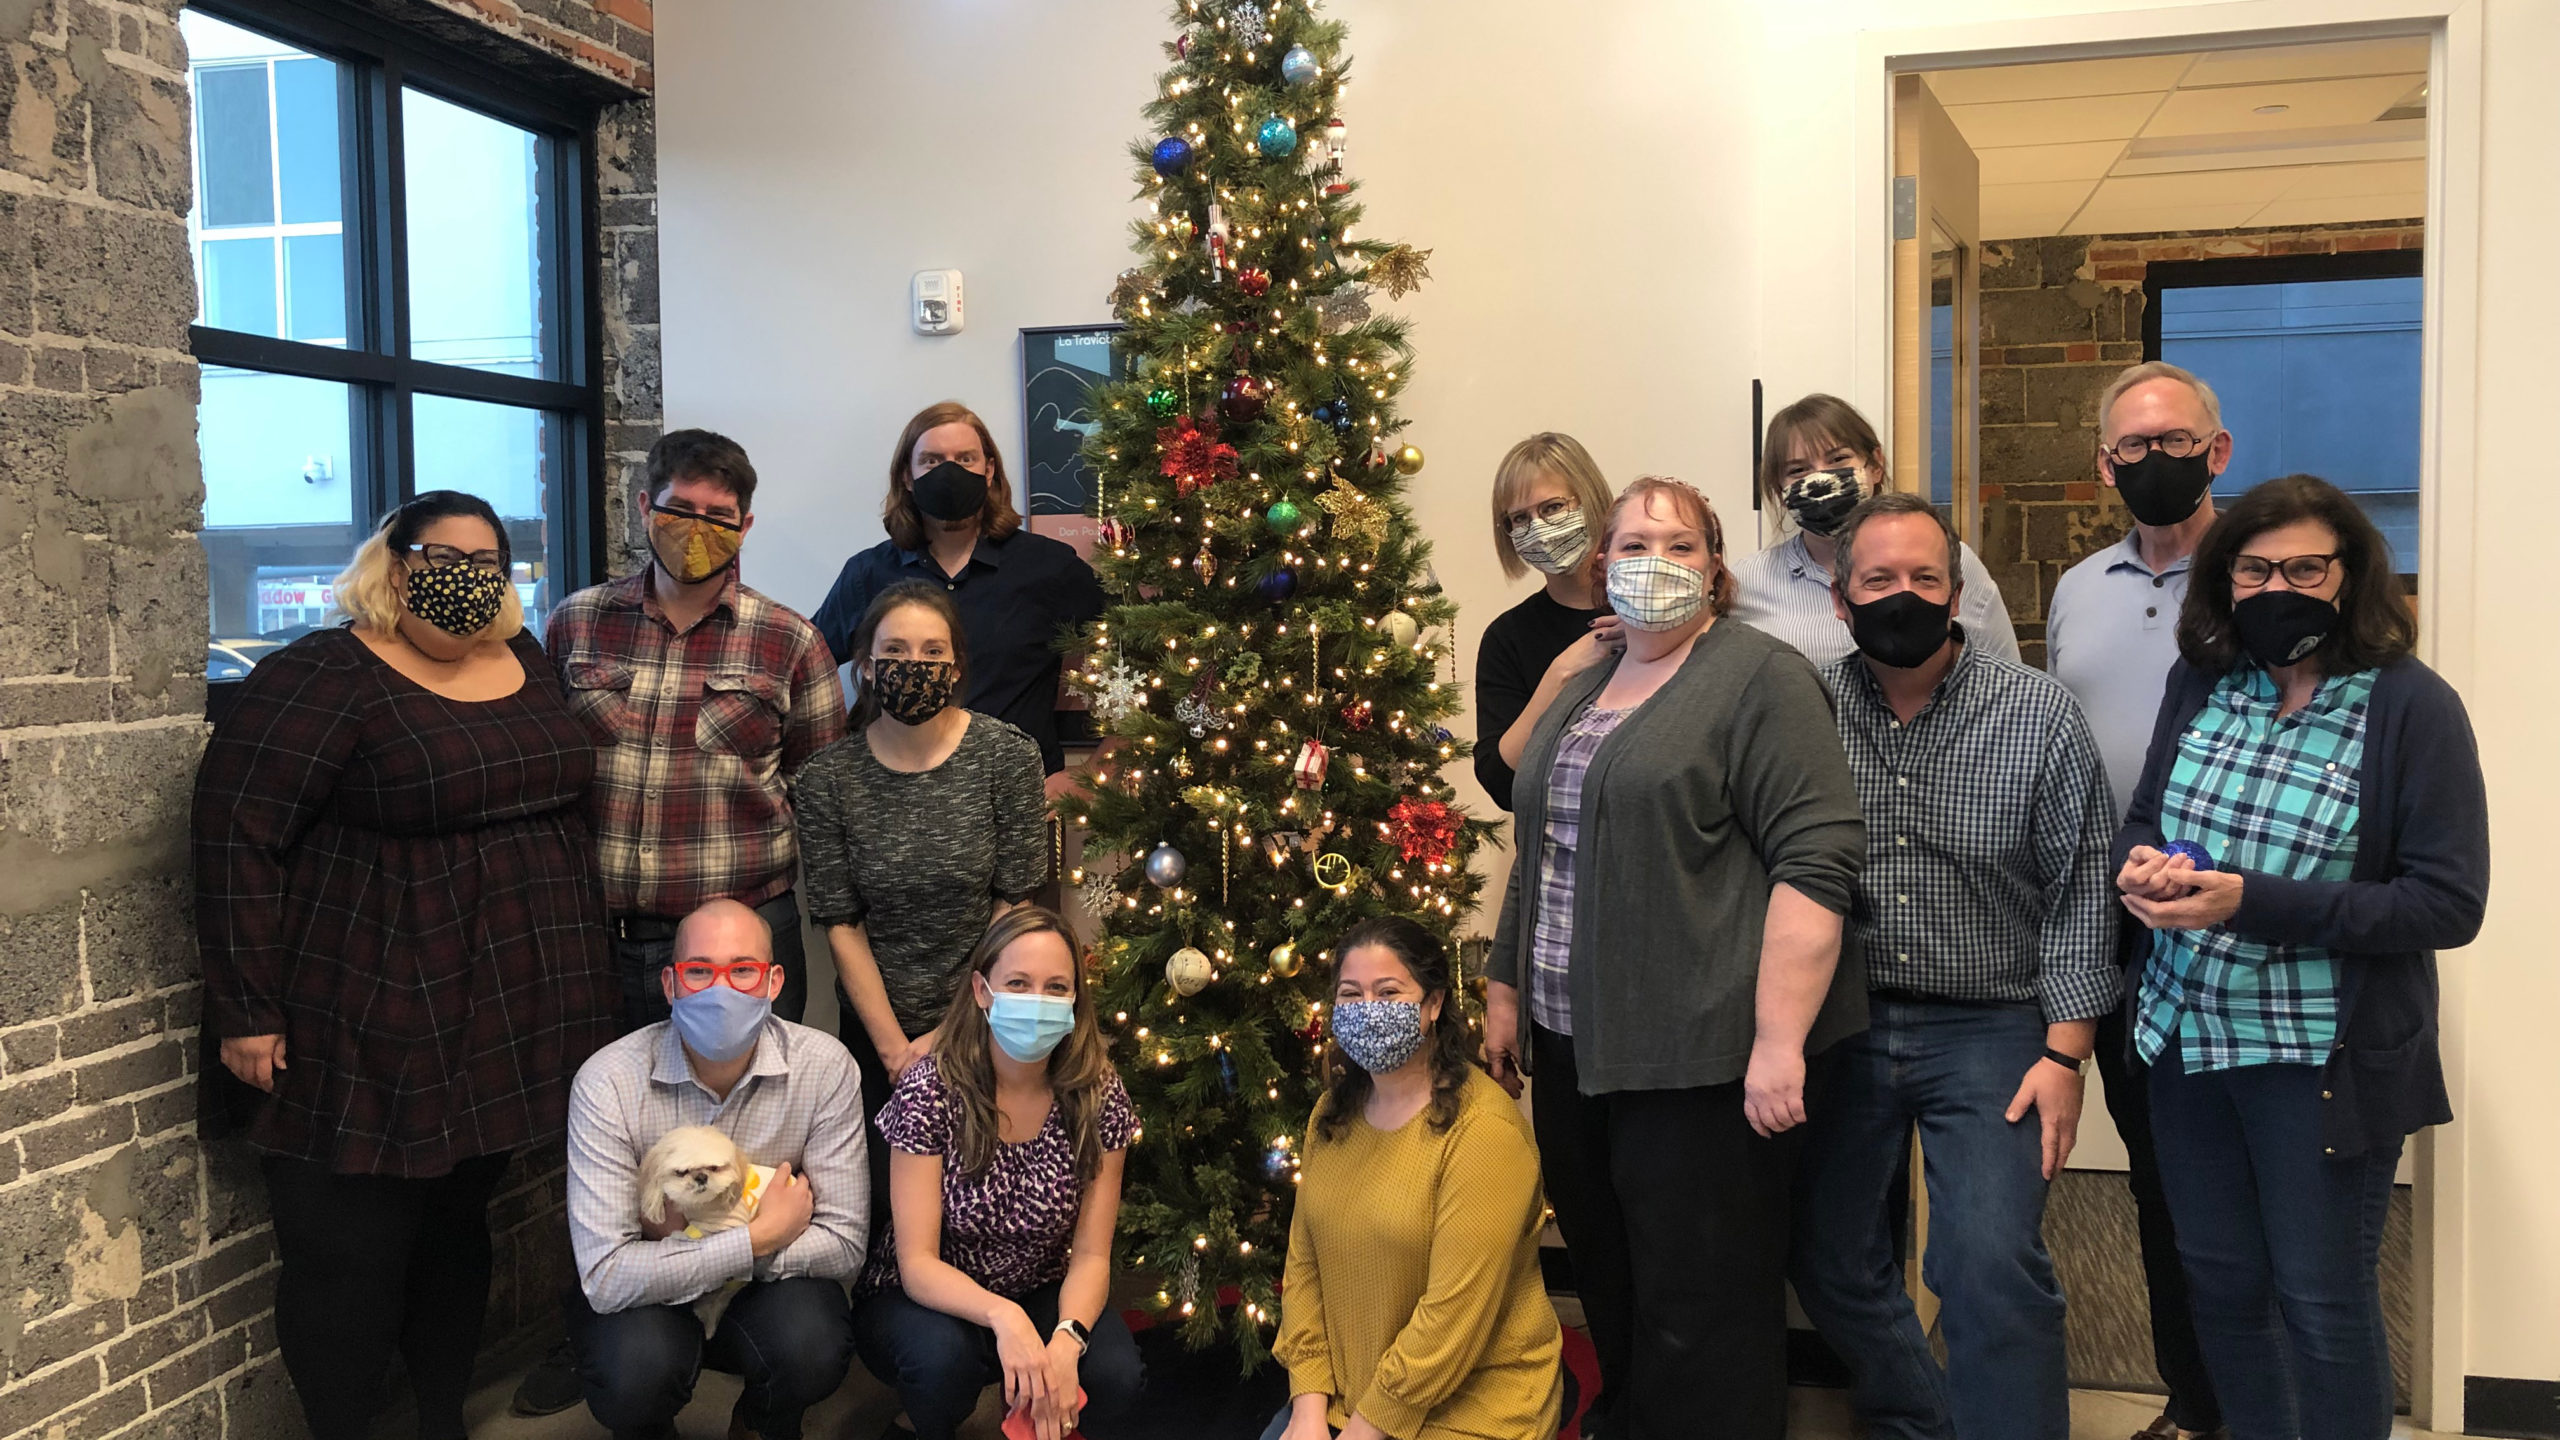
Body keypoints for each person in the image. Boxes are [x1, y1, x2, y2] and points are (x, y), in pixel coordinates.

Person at [192, 491, 618, 1440]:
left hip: (507, 1010)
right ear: (391, 563)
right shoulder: (324, 674)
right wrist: (246, 1008)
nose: (466, 574)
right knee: (351, 1252)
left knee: (453, 1232)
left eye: (487, 559)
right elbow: (235, 839)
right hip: (372, 1010)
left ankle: (439, 1419)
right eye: (442, 554)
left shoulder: (528, 662)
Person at [1483, 476, 1868, 1440]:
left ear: (1716, 568)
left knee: (1703, 1313)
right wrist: (1502, 983)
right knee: (1609, 1284)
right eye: (1631, 544)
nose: (1652, 562)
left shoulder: (1760, 679)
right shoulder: (1584, 683)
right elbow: (1543, 844)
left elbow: (1815, 866)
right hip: (1574, 1047)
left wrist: (1779, 1041)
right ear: (1601, 563)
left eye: (1678, 545)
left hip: (1700, 1057)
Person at [2115, 475, 2488, 1440]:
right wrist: (2144, 870)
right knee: (2225, 1290)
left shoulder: (2411, 707)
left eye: (2306, 567)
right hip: (2188, 1044)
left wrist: (2252, 901)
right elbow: (2149, 815)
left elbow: (2448, 903)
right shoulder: (2203, 679)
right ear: (2225, 578)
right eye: (2254, 567)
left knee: (2322, 1304)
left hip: (2320, 1062)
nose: (2279, 584)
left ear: (2350, 574)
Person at [1789, 492, 2120, 1440]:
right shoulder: (1800, 703)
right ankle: (1927, 1420)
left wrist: (2066, 1057)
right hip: (1840, 1020)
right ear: (1843, 602)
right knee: (1826, 1255)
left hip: (1992, 1026)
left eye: (1925, 578)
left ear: (1958, 589)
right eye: (1879, 580)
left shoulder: (2039, 714)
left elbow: (2080, 892)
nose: (1904, 595)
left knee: (1985, 1262)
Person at [2045, 360, 2233, 1440]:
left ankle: (2250, 1394)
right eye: (2131, 447)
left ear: (2217, 450)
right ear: (2102, 463)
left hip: (2220, 914)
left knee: (2222, 1170)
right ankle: (2190, 1400)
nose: (2152, 462)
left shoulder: (2256, 578)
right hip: (2102, 914)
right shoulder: (2079, 588)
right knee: (2153, 1175)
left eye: (2174, 443)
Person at [546, 428, 846, 1031]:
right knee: (603, 1110)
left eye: (719, 516)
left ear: (746, 526)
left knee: (755, 1112)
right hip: (595, 935)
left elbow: (820, 792)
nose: (697, 528)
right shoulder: (576, 622)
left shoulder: (789, 641)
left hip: (741, 944)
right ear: (644, 507)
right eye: (680, 509)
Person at [562, 899, 869, 1440]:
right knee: (633, 1371)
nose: (720, 990)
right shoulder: (606, 1082)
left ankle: (761, 1420)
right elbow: (607, 1276)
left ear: (774, 981)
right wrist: (758, 1238)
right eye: (699, 971)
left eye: (743, 971)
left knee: (813, 1345)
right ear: (670, 983)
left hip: (743, 1289)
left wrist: (695, 1245)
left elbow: (844, 1242)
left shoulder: (825, 1068)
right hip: (649, 1303)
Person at [796, 580, 1050, 1209]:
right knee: (889, 1217)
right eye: (897, 649)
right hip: (880, 1038)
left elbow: (1014, 905)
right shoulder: (827, 778)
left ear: (957, 667)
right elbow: (840, 920)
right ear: (866, 667)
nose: (915, 665)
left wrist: (950, 1033)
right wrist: (896, 1052)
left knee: (989, 1209)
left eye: (933, 652)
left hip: (992, 1025)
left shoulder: (1007, 757)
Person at [851, 906, 1145, 1440]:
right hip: (930, 1288)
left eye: (1057, 987)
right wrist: (1004, 1318)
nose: (1037, 1001)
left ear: (1076, 999)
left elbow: (1093, 1254)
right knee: (942, 1366)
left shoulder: (1099, 1092)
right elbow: (916, 1262)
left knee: (1115, 1374)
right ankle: (918, 1422)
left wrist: (1066, 1339)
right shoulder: (930, 1088)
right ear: (982, 991)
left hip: (1040, 1280)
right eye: (1018, 983)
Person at [1267, 917, 1563, 1440]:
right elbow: (1304, 1265)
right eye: (1350, 994)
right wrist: (1308, 1406)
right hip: (1346, 1401)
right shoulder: (1329, 1115)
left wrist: (1366, 1429)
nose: (1368, 1010)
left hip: (1472, 1409)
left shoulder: (1484, 1133)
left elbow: (1454, 1316)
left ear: (1432, 1005)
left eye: (1388, 992)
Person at [812, 401, 1109, 792]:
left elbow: (1143, 645)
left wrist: (1102, 767)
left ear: (989, 471)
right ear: (907, 476)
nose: (950, 472)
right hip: (892, 800)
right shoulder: (867, 575)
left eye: (965, 459)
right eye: (932, 461)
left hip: (1016, 801)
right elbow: (802, 673)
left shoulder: (1048, 567)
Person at [1729, 392, 2020, 667]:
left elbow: (2006, 682)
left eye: (1838, 459)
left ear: (1875, 465)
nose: (1820, 478)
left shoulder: (1951, 562)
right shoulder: (1747, 583)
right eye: (1798, 470)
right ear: (1780, 491)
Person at [1473, 432, 1621, 812]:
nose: (1537, 528)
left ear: (1590, 500)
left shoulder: (1651, 608)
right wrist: (1560, 675)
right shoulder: (1507, 638)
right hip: (1556, 857)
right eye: (1519, 518)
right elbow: (1500, 784)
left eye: (1553, 507)